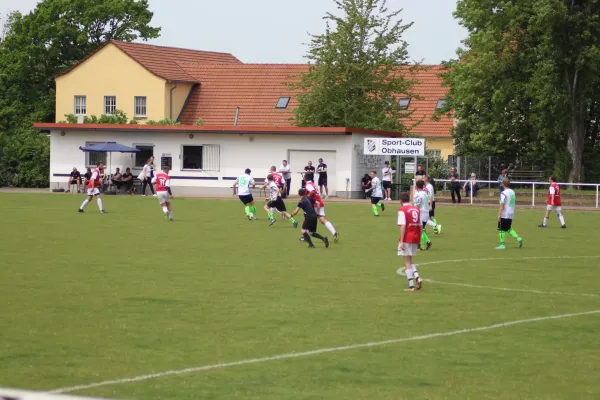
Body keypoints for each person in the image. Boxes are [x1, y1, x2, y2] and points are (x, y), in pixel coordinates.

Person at [397, 191, 423, 291]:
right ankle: (417, 277)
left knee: (407, 261)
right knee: (410, 260)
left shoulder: (402, 209)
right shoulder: (416, 209)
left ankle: (411, 286)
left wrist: (402, 241)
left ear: (400, 201)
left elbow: (403, 225)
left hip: (408, 236)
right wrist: (419, 240)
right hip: (416, 236)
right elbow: (420, 225)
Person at [303, 173, 339, 242]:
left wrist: (307, 198)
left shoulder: (308, 184)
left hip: (315, 204)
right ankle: (334, 233)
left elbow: (312, 192)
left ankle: (305, 236)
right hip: (320, 202)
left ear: (305, 178)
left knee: (306, 218)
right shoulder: (312, 184)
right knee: (323, 220)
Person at [497, 178, 523, 250]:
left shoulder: (503, 193)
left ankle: (502, 244)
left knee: (501, 229)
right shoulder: (512, 192)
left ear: (503, 184)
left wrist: (499, 214)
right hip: (511, 213)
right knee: (508, 228)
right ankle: (518, 238)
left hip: (505, 213)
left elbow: (502, 205)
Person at [413, 180, 432, 250]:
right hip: (426, 213)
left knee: (419, 230)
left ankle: (421, 246)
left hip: (421, 213)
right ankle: (428, 241)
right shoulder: (425, 193)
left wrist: (413, 212)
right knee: (422, 229)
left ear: (417, 186)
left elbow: (417, 205)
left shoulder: (419, 194)